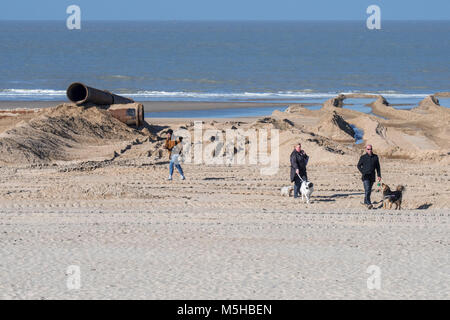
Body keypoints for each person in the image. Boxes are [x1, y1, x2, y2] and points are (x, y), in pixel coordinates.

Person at [357, 144, 381, 209]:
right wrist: (363, 171)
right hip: (365, 176)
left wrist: (379, 175)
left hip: (372, 176)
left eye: (370, 149)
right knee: (367, 189)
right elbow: (358, 165)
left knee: (369, 190)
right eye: (368, 149)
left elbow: (378, 167)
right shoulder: (363, 157)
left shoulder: (375, 157)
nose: (369, 150)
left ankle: (365, 201)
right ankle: (369, 203)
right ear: (366, 150)